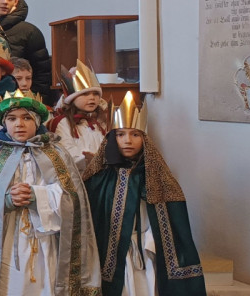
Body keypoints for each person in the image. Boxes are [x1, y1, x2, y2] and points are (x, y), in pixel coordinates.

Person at [0, 89, 101, 295]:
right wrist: (7, 200)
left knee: (46, 281)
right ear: (4, 123)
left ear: (37, 122)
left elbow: (73, 198)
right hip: (7, 235)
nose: (19, 124)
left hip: (47, 237)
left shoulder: (56, 152)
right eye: (12, 119)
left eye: (26, 118)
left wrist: (37, 196)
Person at [84, 92, 207, 295]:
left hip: (147, 252)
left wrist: (151, 240)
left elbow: (173, 221)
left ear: (145, 139)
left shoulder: (158, 176)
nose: (128, 140)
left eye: (135, 134)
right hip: (109, 255)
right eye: (121, 134)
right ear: (112, 139)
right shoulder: (99, 178)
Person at [0, 0, 54, 104]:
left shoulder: (29, 31)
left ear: (16, 1)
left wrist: (36, 102)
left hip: (21, 101)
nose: (5, 1)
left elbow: (42, 73)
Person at [49, 61, 108, 175]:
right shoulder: (62, 123)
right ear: (72, 99)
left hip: (102, 174)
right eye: (85, 94)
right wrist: (86, 159)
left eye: (95, 94)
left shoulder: (102, 121)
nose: (92, 98)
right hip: (77, 175)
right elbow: (64, 150)